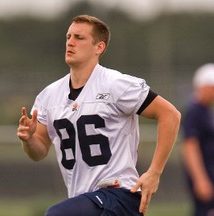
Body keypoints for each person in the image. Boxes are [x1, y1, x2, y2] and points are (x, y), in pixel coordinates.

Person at [17, 14, 181, 216]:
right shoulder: (50, 95)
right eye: (68, 36)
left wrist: (154, 172)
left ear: (99, 47)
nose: (70, 42)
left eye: (79, 37)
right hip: (85, 200)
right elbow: (39, 151)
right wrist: (28, 138)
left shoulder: (115, 84)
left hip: (118, 196)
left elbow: (170, 115)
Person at [181, 63, 214, 216]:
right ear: (205, 87)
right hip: (205, 176)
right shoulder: (195, 111)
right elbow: (190, 146)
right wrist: (200, 179)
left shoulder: (205, 110)